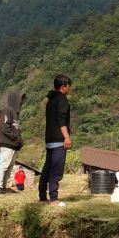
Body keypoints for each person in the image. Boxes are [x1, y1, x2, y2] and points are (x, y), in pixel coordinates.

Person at [39, 74, 72, 206]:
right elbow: (61, 120)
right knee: (56, 170)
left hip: (49, 138)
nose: (69, 89)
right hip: (59, 139)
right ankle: (54, 199)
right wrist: (67, 137)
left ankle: (42, 197)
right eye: (69, 86)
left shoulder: (50, 101)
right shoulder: (62, 99)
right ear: (63, 87)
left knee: (47, 168)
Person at [0, 90, 26, 194]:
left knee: (9, 166)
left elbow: (16, 129)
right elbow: (5, 127)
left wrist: (19, 142)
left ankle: (4, 186)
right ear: (14, 99)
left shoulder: (16, 114)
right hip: (8, 144)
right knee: (3, 165)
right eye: (20, 100)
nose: (21, 102)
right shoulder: (7, 110)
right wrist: (15, 138)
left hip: (13, 145)